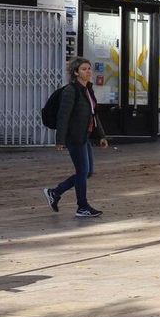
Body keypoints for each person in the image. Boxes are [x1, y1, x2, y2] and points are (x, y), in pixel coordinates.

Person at [44, 57, 111, 218]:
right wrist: (60, 139)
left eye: (89, 68)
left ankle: (55, 192)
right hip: (74, 137)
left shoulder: (88, 89)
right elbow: (63, 116)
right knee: (82, 171)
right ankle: (82, 207)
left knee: (87, 172)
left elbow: (94, 115)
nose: (88, 71)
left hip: (84, 136)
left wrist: (101, 135)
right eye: (84, 69)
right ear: (76, 72)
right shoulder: (70, 90)